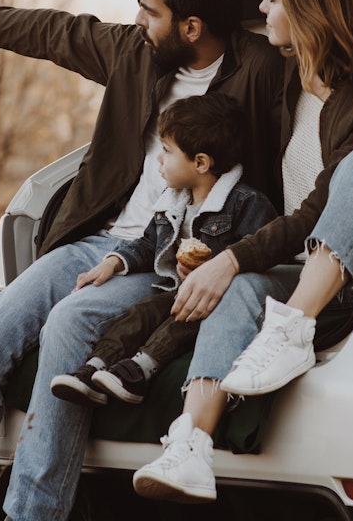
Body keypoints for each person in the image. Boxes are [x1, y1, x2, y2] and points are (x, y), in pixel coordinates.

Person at [0, 0, 285, 521]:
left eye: (151, 11)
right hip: (97, 242)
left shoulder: (261, 73)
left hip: (167, 260)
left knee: (70, 324)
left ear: (192, 26)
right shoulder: (135, 53)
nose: (138, 18)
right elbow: (50, 31)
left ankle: (33, 513)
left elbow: (293, 160)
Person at [131, 0, 353, 504]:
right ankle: (191, 444)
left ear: (310, 9)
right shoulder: (293, 81)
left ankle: (290, 331)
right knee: (241, 288)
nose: (264, 10)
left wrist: (231, 256)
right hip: (294, 271)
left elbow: (319, 209)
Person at [50, 94, 277, 407]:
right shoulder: (173, 203)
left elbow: (259, 256)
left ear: (200, 162)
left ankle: (140, 370)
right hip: (179, 292)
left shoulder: (245, 203)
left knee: (180, 321)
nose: (158, 160)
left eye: (167, 152)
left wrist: (213, 268)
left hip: (215, 302)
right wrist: (114, 262)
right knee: (141, 313)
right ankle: (94, 368)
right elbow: (147, 244)